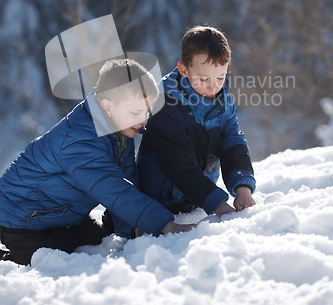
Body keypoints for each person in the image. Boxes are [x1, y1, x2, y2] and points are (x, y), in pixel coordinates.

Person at [0, 58, 195, 265]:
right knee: (53, 261)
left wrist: (135, 227)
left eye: (147, 111)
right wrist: (164, 224)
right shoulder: (80, 140)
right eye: (135, 112)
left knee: (98, 243)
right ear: (108, 106)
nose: (143, 119)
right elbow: (113, 189)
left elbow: (128, 180)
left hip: (62, 216)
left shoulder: (119, 129)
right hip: (23, 220)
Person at [137, 26, 256, 218]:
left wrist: (242, 187)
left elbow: (233, 142)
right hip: (161, 203)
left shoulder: (223, 103)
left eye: (220, 77)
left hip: (196, 201)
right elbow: (177, 163)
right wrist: (216, 202)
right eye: (204, 79)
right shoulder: (165, 104)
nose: (214, 86)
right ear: (183, 70)